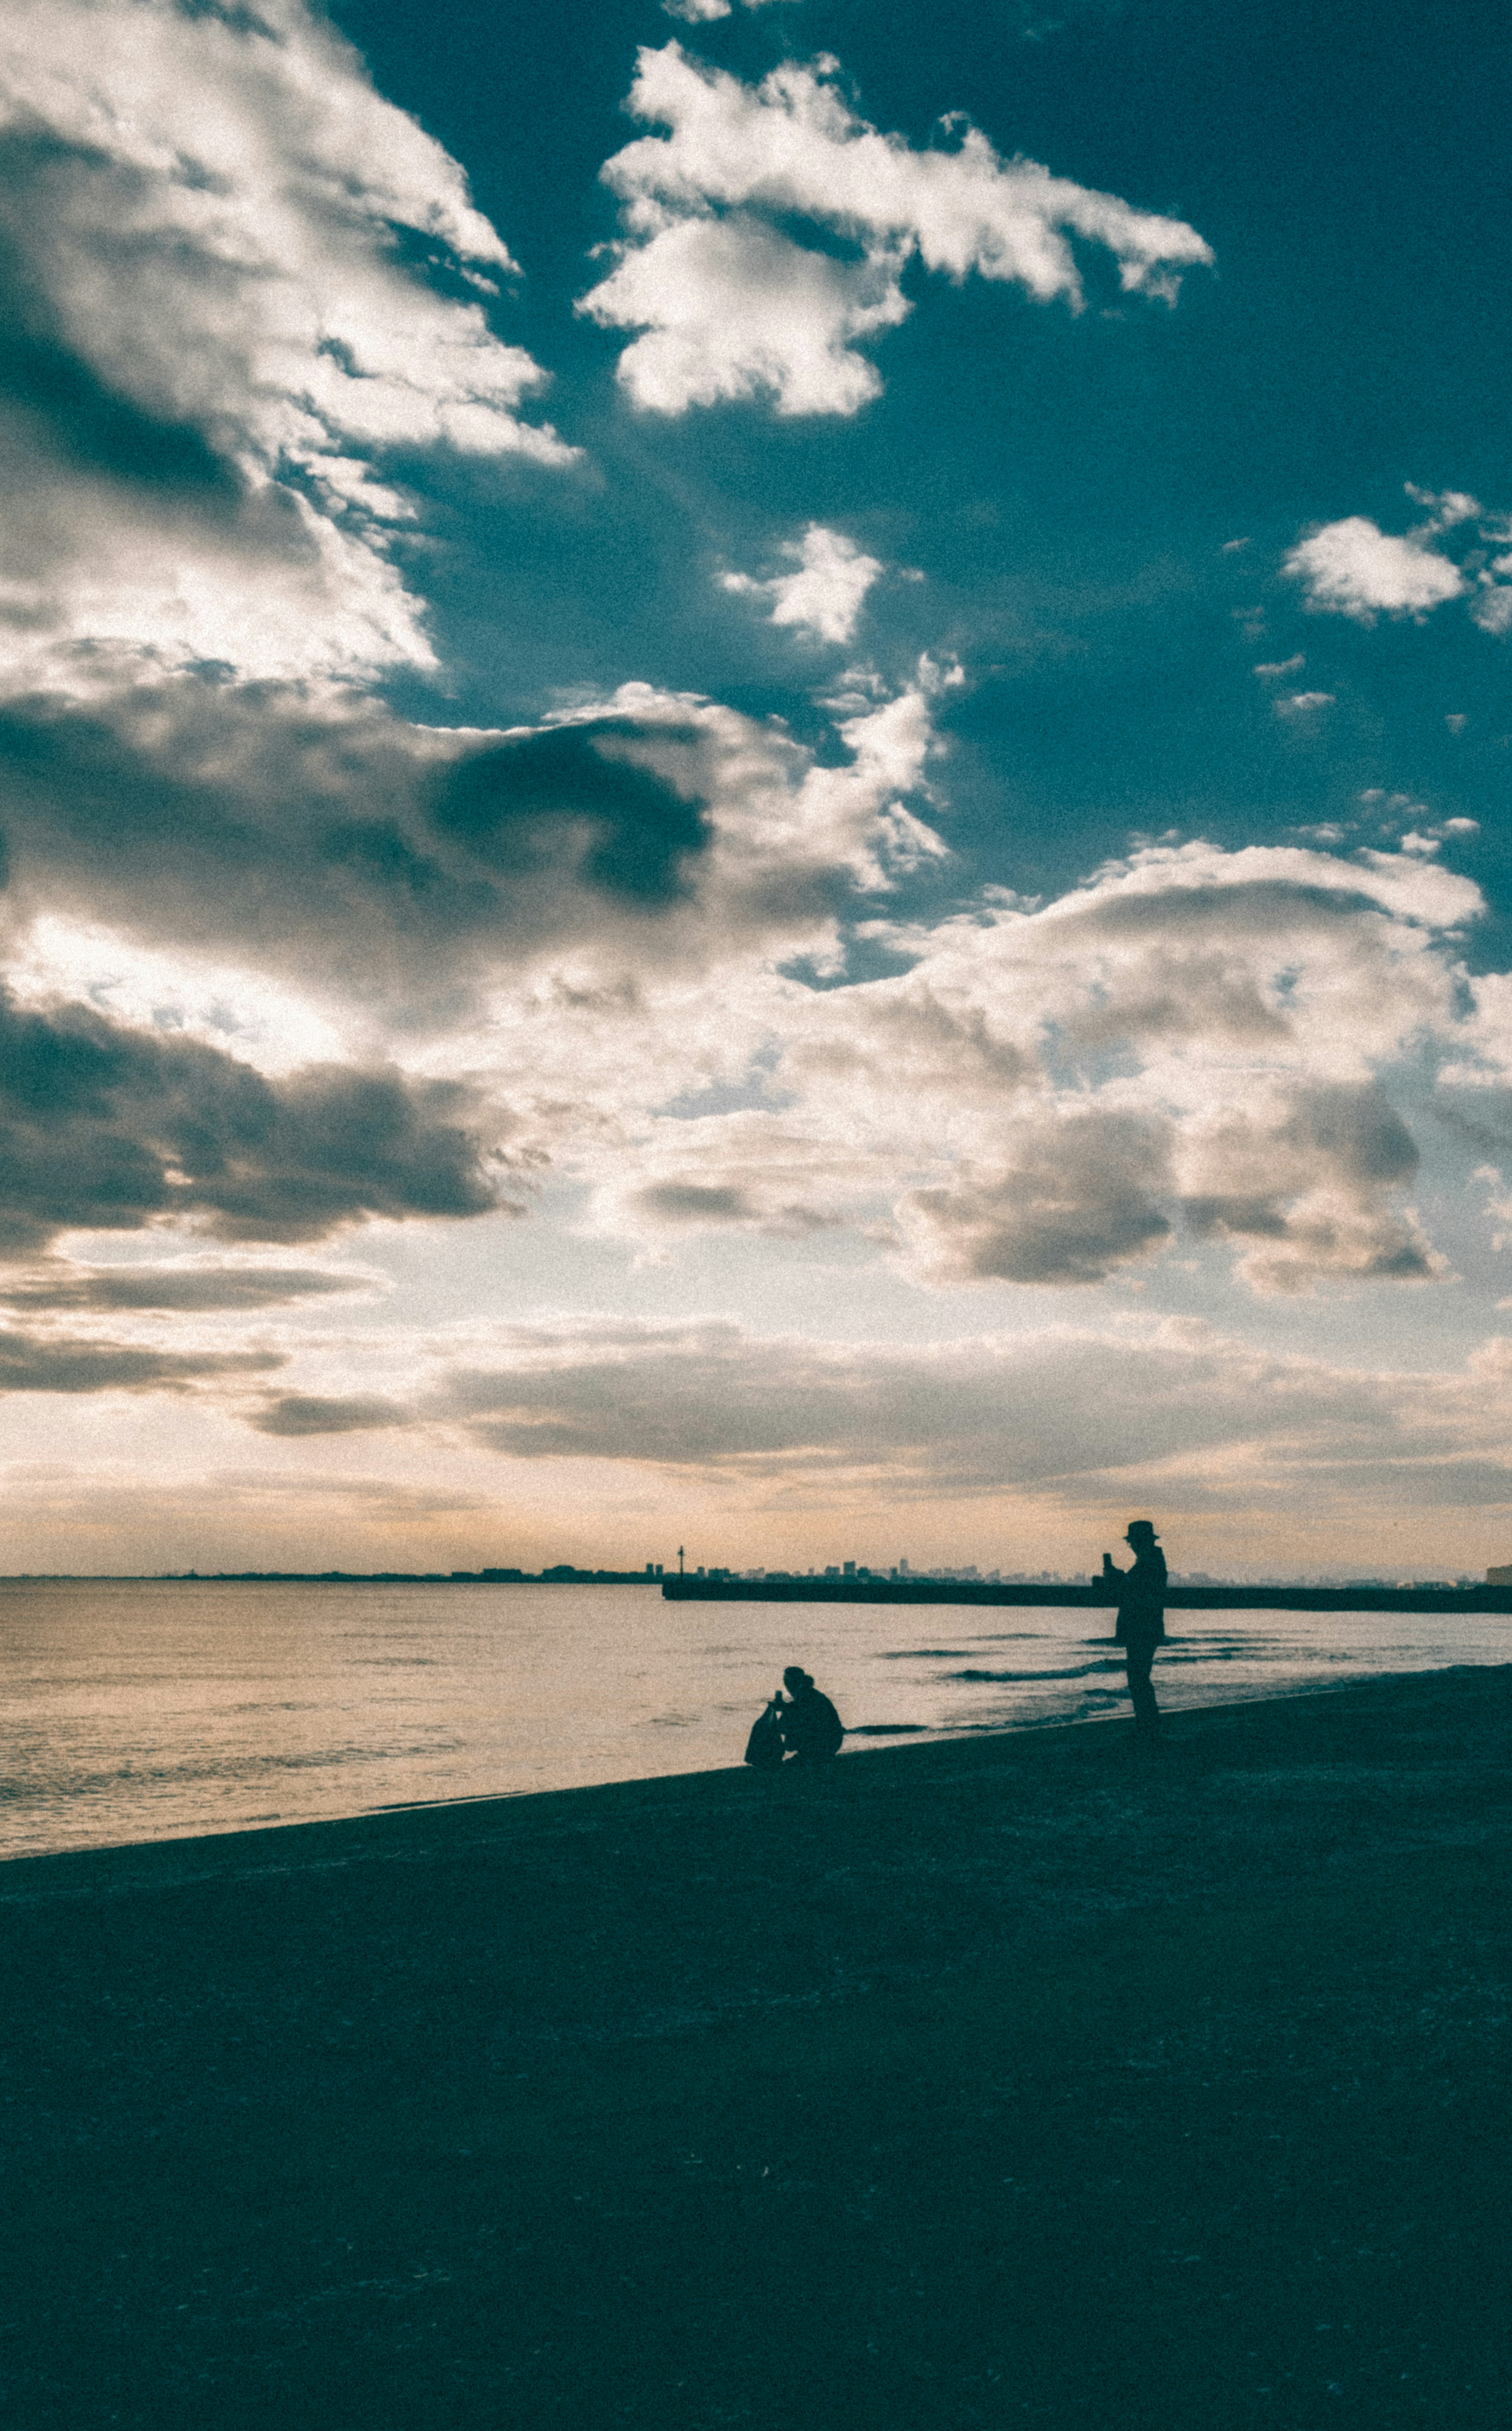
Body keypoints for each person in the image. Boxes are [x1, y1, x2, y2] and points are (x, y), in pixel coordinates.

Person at [1099, 1520, 1167, 1742]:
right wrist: (1122, 1579)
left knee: (1138, 1679)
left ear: (1141, 1542)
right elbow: (1135, 1589)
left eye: (1134, 1542)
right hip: (1147, 1627)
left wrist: (1117, 1578)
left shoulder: (1149, 1563)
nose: (1133, 1546)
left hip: (1142, 1628)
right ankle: (1148, 1726)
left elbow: (1134, 1592)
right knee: (1140, 1678)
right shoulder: (1151, 1561)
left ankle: (1148, 1728)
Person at [776, 1665, 845, 1762]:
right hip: (832, 1742)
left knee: (788, 1719)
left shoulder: (807, 1695)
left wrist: (784, 1708)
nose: (787, 1686)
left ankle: (810, 1754)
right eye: (785, 1682)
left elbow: (804, 1711)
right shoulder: (808, 1693)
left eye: (788, 1682)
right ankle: (808, 1754)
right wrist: (784, 1707)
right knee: (788, 1718)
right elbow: (800, 1708)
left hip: (827, 1743)